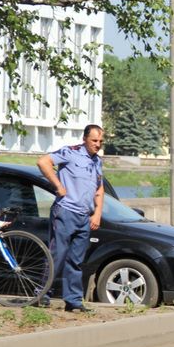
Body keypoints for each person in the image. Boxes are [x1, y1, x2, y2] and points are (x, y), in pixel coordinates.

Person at [37, 125, 105, 312]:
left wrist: (97, 213)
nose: (97, 145)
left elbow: (99, 188)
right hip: (65, 211)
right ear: (84, 139)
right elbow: (43, 162)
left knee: (76, 260)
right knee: (57, 255)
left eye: (100, 141)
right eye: (94, 141)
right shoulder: (70, 152)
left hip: (84, 216)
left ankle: (73, 300)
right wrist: (58, 186)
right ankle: (41, 294)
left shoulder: (97, 162)